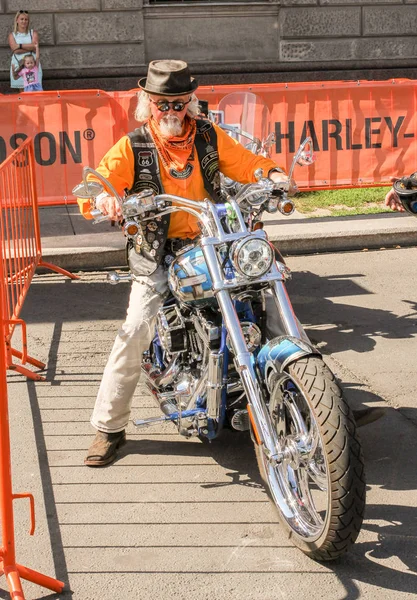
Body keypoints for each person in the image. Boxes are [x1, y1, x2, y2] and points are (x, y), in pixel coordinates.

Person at [79, 60, 384, 467]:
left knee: (271, 301)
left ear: (189, 102)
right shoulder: (132, 146)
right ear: (148, 103)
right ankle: (108, 427)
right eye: (162, 104)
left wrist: (273, 173)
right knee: (136, 326)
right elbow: (100, 183)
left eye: (178, 103)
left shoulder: (208, 135)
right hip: (159, 250)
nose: (170, 112)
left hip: (214, 241)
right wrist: (103, 198)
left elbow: (244, 162)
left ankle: (325, 410)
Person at [8, 10, 43, 92]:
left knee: (36, 89)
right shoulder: (12, 35)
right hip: (19, 64)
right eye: (22, 19)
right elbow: (15, 50)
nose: (24, 21)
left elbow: (35, 47)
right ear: (17, 20)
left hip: (32, 64)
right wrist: (30, 46)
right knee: (23, 91)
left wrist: (19, 46)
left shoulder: (33, 33)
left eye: (26, 19)